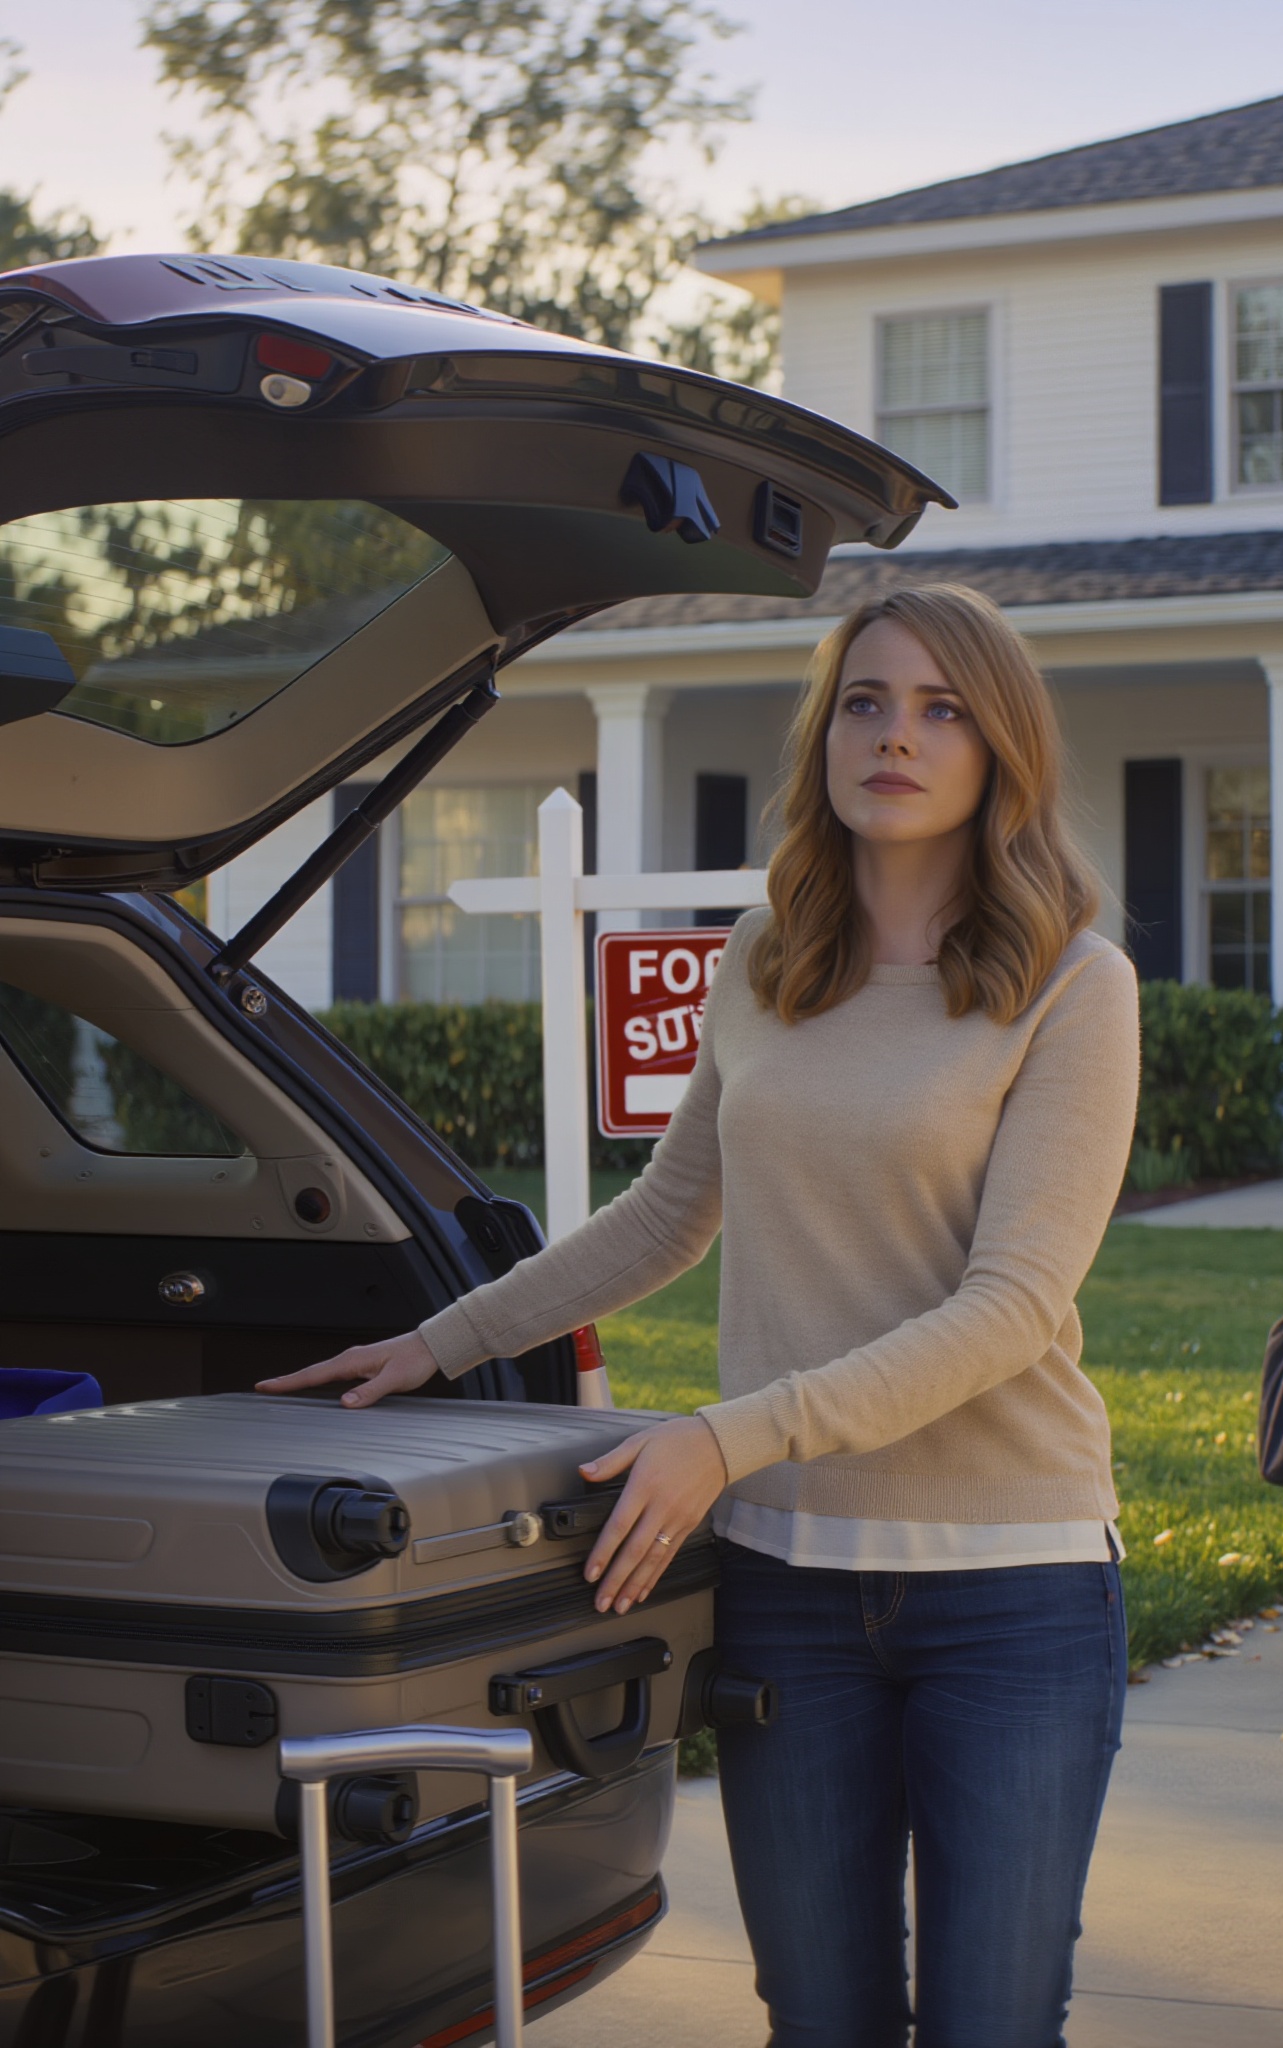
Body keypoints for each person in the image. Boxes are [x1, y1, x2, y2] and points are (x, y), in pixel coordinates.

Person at [257, 585, 1142, 2045]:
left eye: (941, 708)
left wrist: (727, 1438)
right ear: (825, 732)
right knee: (821, 2016)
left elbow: (1014, 1306)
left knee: (993, 2022)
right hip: (789, 1587)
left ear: (1002, 749)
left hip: (1013, 1591)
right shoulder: (766, 957)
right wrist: (441, 1340)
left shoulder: (1073, 981)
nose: (896, 736)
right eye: (866, 700)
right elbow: (671, 1213)